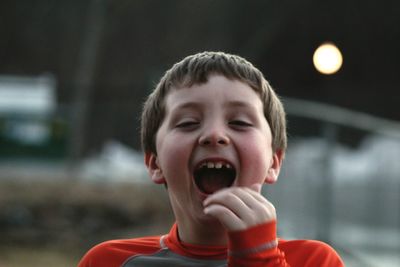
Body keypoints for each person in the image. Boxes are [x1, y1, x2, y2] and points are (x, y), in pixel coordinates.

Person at [78, 51, 344, 266]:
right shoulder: (109, 262)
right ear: (155, 163)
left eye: (239, 122)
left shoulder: (314, 261)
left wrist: (261, 261)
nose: (215, 135)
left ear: (273, 163)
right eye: (188, 123)